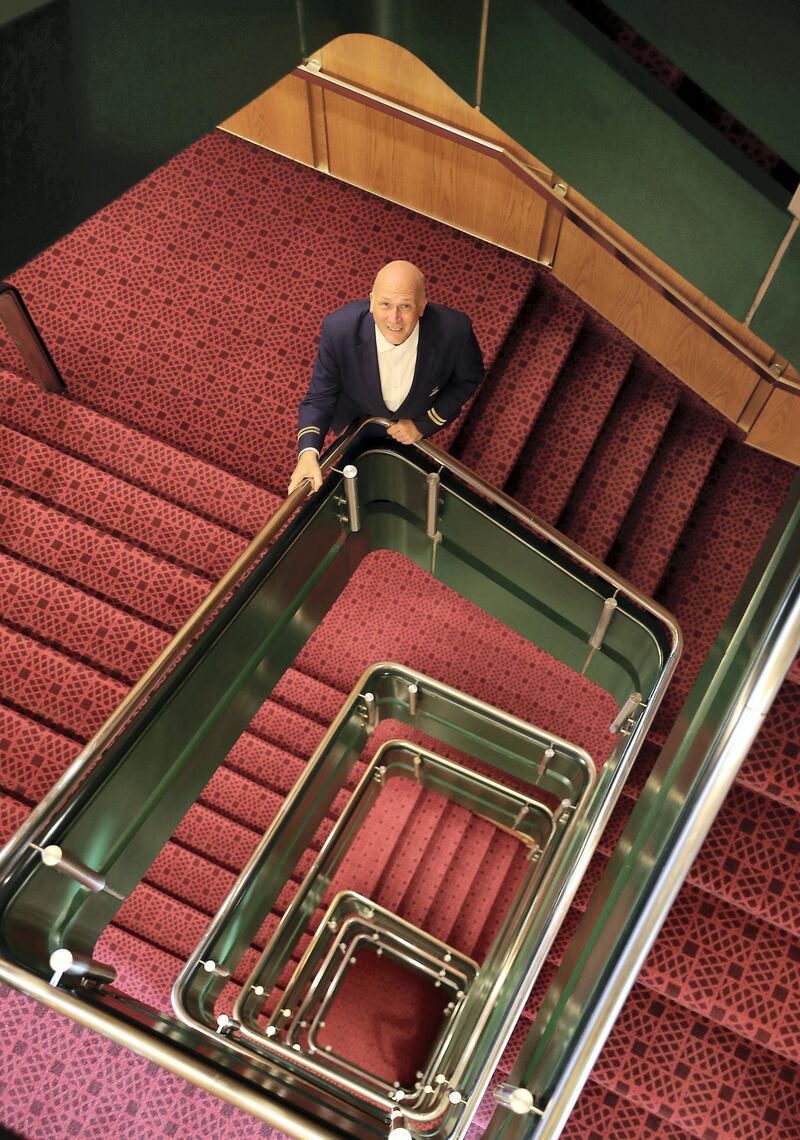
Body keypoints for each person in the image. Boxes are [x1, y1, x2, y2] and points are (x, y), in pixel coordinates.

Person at [287, 260, 484, 493]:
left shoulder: (455, 330)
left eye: (406, 306)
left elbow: (468, 378)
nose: (394, 318)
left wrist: (425, 423)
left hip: (415, 420)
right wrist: (308, 453)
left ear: (422, 306)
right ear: (371, 302)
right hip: (356, 420)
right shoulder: (338, 329)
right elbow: (320, 396)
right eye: (385, 304)